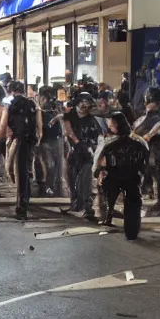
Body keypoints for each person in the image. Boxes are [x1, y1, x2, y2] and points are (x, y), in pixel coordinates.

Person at [95, 112, 149, 239]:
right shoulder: (138, 142)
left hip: (115, 177)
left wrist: (100, 173)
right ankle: (132, 231)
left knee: (108, 194)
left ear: (115, 125)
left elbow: (101, 162)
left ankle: (107, 216)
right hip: (133, 178)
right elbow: (145, 161)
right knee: (133, 202)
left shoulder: (109, 143)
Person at [0, 81, 41, 219]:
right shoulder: (32, 104)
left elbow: (7, 123)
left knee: (19, 171)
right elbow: (37, 122)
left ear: (12, 91)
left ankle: (21, 204)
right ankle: (26, 198)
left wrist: (7, 137)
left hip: (20, 139)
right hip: (30, 140)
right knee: (26, 170)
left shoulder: (12, 104)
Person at [133, 87, 160, 217]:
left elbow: (159, 128)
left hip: (157, 153)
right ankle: (159, 202)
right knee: (155, 179)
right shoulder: (145, 117)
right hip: (147, 154)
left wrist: (147, 135)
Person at [63, 90, 102, 221]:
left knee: (85, 181)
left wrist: (91, 149)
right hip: (73, 153)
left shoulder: (92, 121)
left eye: (87, 102)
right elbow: (68, 131)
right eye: (82, 102)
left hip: (87, 154)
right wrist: (75, 142)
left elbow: (98, 138)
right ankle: (75, 204)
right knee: (71, 179)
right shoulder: (70, 116)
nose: (84, 105)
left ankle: (87, 207)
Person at [35, 86, 63, 197]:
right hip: (45, 140)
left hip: (55, 138)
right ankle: (45, 186)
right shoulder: (38, 109)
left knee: (56, 165)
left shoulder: (52, 107)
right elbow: (42, 126)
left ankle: (51, 186)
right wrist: (55, 119)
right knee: (48, 165)